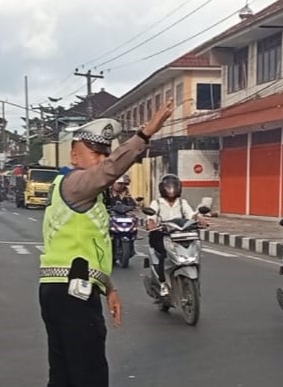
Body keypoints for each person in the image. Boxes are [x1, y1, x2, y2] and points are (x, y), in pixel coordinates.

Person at [39, 101, 173, 387]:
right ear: (75, 155)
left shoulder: (88, 196)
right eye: (95, 153)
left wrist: (109, 288)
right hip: (71, 292)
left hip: (65, 288)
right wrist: (145, 134)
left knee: (64, 376)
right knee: (90, 374)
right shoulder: (74, 183)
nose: (102, 160)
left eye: (105, 154)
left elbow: (91, 248)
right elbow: (109, 171)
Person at [145, 174, 205, 296]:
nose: (171, 190)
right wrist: (151, 223)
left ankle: (195, 283)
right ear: (163, 188)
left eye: (174, 186)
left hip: (181, 235)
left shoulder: (183, 203)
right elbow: (151, 217)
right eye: (168, 187)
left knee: (194, 253)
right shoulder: (157, 202)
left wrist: (199, 219)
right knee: (163, 254)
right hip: (161, 234)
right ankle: (162, 284)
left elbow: (191, 215)